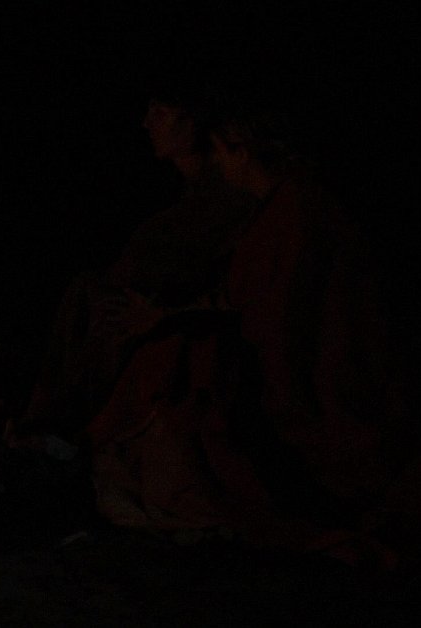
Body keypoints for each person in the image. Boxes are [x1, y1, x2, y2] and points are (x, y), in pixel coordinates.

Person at [88, 86, 411, 567]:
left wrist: (178, 323)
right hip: (279, 359)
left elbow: (281, 321)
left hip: (319, 382)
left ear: (239, 151)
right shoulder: (279, 209)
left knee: (178, 361)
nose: (218, 165)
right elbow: (249, 300)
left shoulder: (295, 212)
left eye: (221, 153)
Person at [8, 80, 254, 447]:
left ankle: (57, 428)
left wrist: (163, 310)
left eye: (161, 112)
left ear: (194, 121)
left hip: (174, 328)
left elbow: (224, 277)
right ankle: (48, 424)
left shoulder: (227, 198)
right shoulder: (185, 201)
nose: (147, 123)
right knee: (87, 293)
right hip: (138, 316)